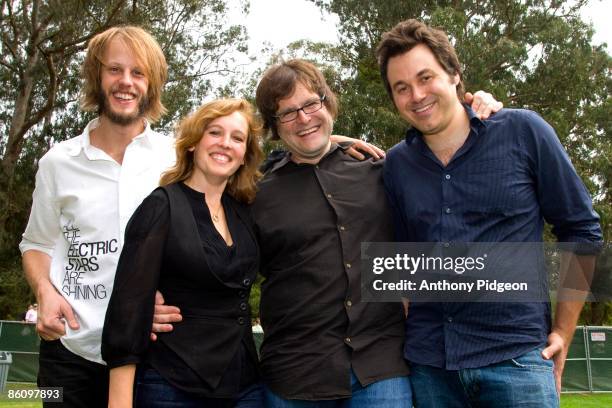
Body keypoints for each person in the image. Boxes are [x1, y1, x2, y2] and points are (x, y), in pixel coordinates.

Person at [153, 59, 501, 406]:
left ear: (327, 102)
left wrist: (472, 107)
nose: (303, 118)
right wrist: (150, 300)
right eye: (287, 113)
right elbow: (213, 261)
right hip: (294, 377)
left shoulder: (381, 170)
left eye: (310, 105)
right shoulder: (254, 194)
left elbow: (446, 162)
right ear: (275, 126)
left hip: (380, 371)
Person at [377, 19, 603, 407]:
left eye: (425, 77)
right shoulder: (397, 165)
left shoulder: (523, 130)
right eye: (401, 88)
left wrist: (564, 331)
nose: (416, 95)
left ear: (454, 74)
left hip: (517, 361)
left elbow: (582, 230)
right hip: (430, 369)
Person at [19, 26, 174, 407]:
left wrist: (325, 143)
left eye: (138, 73)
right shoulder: (57, 162)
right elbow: (36, 243)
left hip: (150, 355)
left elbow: (242, 162)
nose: (126, 82)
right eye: (115, 70)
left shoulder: (175, 159)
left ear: (151, 84)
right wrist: (44, 292)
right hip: (67, 353)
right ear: (96, 77)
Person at [102, 98, 264, 407]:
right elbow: (128, 311)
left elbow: (298, 160)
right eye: (215, 132)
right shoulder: (161, 206)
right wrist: (119, 401)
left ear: (245, 154)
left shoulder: (245, 211)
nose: (226, 144)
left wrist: (333, 142)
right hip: (172, 385)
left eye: (237, 138)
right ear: (193, 142)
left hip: (244, 388)